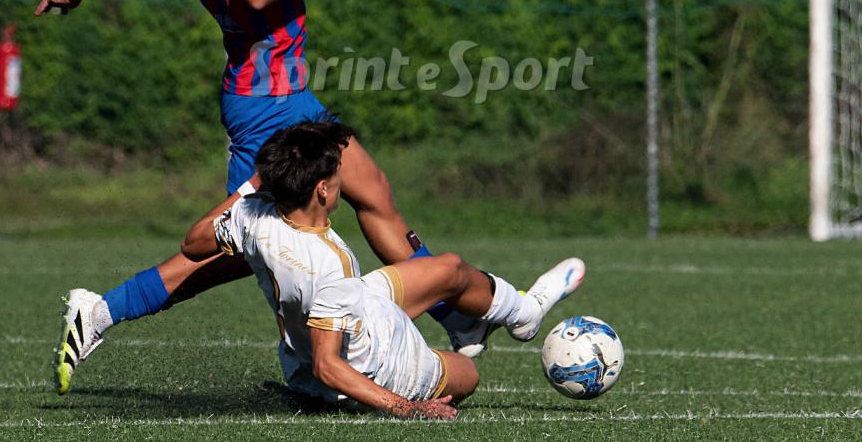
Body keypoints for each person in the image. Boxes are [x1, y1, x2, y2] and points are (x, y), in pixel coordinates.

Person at [42, 0, 488, 394]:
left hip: (267, 94)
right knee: (232, 249)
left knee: (370, 193)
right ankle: (103, 310)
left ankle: (453, 313)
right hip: (271, 103)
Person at [178, 122, 585, 420]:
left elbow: (192, 243)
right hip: (376, 364)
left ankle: (517, 315)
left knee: (449, 268)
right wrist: (406, 407)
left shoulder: (253, 214)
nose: (343, 178)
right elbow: (328, 366)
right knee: (468, 375)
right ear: (322, 189)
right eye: (337, 172)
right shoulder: (330, 264)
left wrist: (251, 186)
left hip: (354, 311)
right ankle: (458, 341)